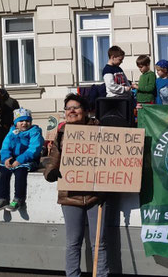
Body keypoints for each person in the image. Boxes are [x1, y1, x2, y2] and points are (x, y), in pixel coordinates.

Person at [44, 94, 109, 277]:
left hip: (96, 196)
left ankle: (101, 274)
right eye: (68, 108)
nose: (71, 111)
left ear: (86, 111)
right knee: (73, 242)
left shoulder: (101, 131)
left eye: (76, 107)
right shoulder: (61, 134)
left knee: (99, 242)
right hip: (70, 195)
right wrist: (51, 173)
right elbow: (52, 162)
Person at [0, 108, 43, 213]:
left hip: (29, 159)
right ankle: (2, 198)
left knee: (20, 172)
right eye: (21, 121)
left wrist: (20, 160)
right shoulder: (12, 132)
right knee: (3, 171)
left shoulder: (34, 132)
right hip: (13, 159)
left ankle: (18, 199)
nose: (24, 123)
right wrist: (6, 158)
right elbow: (5, 146)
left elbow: (34, 149)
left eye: (27, 121)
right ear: (16, 123)